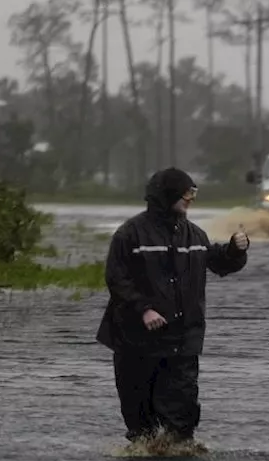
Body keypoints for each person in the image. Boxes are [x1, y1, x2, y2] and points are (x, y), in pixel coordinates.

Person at [96, 167, 250, 443]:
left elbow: (219, 263)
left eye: (194, 192)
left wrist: (234, 251)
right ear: (167, 195)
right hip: (136, 342)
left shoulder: (195, 236)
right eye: (187, 192)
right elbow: (117, 279)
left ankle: (177, 458)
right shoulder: (130, 234)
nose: (191, 198)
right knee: (141, 423)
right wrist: (144, 309)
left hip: (183, 341)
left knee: (180, 420)